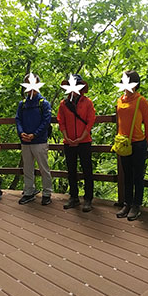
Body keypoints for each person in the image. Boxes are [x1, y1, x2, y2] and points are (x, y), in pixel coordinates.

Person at [115, 70, 148, 221]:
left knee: (138, 176)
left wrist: (147, 138)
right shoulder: (120, 100)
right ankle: (127, 203)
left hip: (138, 143)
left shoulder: (140, 101)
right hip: (123, 143)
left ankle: (136, 205)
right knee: (127, 176)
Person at [57, 74, 95, 212]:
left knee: (87, 170)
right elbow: (61, 122)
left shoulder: (87, 102)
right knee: (71, 170)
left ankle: (88, 198)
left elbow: (90, 121)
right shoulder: (63, 104)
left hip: (84, 142)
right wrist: (67, 137)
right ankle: (74, 197)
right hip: (69, 142)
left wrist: (81, 138)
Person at [15, 74, 53, 205]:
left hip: (40, 141)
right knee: (27, 168)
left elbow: (46, 121)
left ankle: (47, 193)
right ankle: (29, 192)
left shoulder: (43, 103)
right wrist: (21, 133)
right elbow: (18, 119)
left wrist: (35, 134)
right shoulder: (23, 104)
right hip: (25, 141)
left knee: (44, 168)